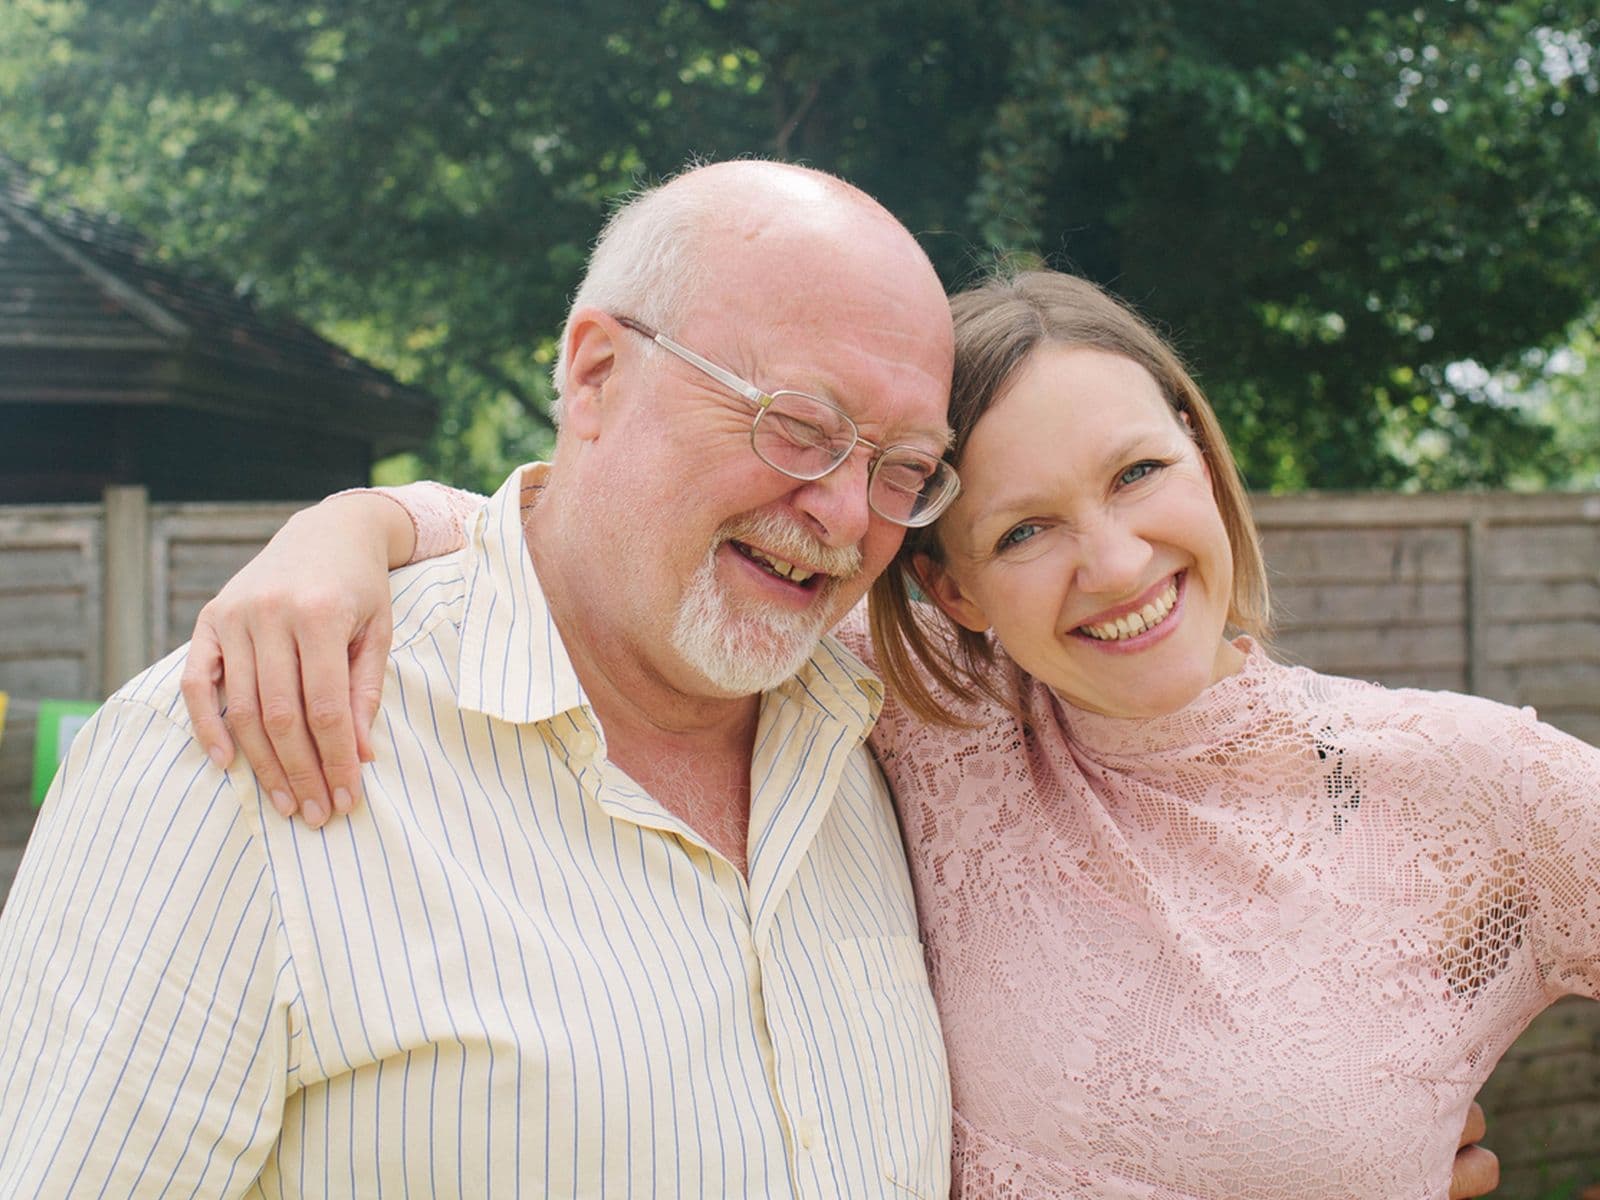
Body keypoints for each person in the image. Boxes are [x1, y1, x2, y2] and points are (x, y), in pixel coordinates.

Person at [178, 271, 1542, 1198]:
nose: (1117, 564)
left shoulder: (1465, 782)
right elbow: (607, 551)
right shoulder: (924, 721)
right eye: (1024, 530)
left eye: (1137, 472)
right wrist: (347, 532)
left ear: (1201, 447)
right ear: (950, 588)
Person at [0, 160, 962, 1197]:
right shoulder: (237, 751)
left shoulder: (888, 734)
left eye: (902, 468)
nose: (850, 515)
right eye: (800, 428)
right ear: (596, 375)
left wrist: (371, 515)